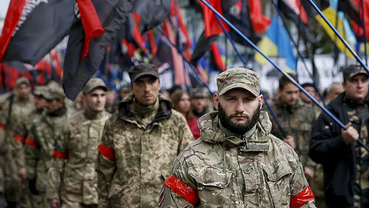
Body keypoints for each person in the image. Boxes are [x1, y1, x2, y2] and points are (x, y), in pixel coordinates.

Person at [159, 68, 316, 207]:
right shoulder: (191, 160)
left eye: (248, 99)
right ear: (216, 101)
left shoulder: (285, 155)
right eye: (231, 99)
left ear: (260, 102)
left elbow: (303, 204)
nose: (240, 108)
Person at [96, 63, 194, 207]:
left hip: (164, 202)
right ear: (132, 88)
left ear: (159, 84)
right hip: (125, 203)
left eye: (151, 82)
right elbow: (104, 169)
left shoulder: (176, 121)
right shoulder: (114, 123)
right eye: (140, 83)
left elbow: (188, 167)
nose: (147, 89)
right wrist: (103, 204)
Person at [310, 64, 369, 208]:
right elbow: (315, 151)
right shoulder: (330, 115)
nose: (360, 85)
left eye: (364, 81)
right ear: (344, 85)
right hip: (343, 198)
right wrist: (341, 140)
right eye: (354, 81)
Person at [47, 78, 111, 208]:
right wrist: (53, 194)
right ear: (84, 97)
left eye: (102, 95)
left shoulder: (114, 125)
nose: (99, 100)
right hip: (72, 193)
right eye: (94, 95)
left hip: (102, 194)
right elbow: (57, 162)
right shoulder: (70, 124)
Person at [24, 81, 73, 207]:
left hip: (69, 179)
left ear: (60, 101)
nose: (46, 104)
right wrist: (31, 176)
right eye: (45, 99)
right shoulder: (38, 123)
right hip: (44, 177)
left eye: (50, 101)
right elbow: (30, 152)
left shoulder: (73, 120)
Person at [270, 74, 317, 180]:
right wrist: (280, 143)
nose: (293, 97)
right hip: (278, 171)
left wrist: (310, 165)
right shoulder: (270, 112)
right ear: (279, 91)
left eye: (296, 92)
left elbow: (316, 141)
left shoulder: (309, 112)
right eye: (289, 92)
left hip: (304, 171)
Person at [0, 77, 35, 208]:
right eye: (20, 88)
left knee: (27, 179)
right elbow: (2, 125)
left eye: (26, 87)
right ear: (16, 89)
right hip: (11, 147)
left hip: (29, 147)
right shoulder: (10, 105)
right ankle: (12, 203)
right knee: (12, 179)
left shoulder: (34, 104)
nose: (24, 91)